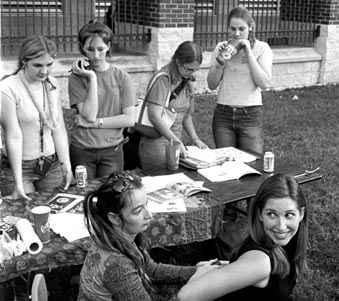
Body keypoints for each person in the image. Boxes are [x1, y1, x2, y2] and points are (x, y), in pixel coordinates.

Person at [78, 171, 220, 301]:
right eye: (138, 211)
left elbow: (151, 269)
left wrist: (196, 271)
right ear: (114, 218)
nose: (149, 215)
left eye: (146, 205)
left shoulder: (114, 236)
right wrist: (195, 289)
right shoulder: (118, 266)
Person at [177, 174, 308, 301]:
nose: (281, 226)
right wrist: (200, 273)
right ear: (260, 214)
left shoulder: (284, 240)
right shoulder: (260, 262)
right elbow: (186, 296)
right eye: (272, 214)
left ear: (301, 214)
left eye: (289, 215)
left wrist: (233, 267)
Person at [0, 35, 73, 196]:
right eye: (38, 65)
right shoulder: (8, 88)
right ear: (24, 62)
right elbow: (13, 135)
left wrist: (65, 163)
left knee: (54, 210)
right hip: (21, 166)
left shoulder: (52, 83)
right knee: (23, 216)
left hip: (51, 163)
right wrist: (18, 181)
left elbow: (58, 127)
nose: (44, 71)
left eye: (49, 64)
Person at [68, 20, 136, 179]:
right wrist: (91, 77)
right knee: (84, 196)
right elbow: (89, 114)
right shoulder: (76, 77)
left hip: (112, 150)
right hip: (82, 150)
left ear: (109, 46)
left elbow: (129, 119)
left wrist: (95, 124)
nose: (96, 55)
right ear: (82, 48)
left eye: (101, 49)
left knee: (110, 196)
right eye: (90, 50)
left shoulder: (122, 77)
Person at [208, 7, 273, 155]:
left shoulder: (262, 48)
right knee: (225, 162)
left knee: (253, 163)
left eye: (241, 29)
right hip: (223, 114)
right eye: (233, 28)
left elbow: (264, 84)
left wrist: (249, 53)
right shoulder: (221, 48)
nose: (236, 33)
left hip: (250, 114)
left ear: (251, 27)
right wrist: (220, 63)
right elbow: (211, 85)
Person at [139, 41, 208, 171]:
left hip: (175, 142)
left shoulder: (187, 80)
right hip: (157, 143)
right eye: (189, 69)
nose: (192, 73)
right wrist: (176, 141)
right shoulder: (163, 79)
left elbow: (186, 116)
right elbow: (154, 116)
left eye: (195, 70)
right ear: (177, 62)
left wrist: (195, 139)